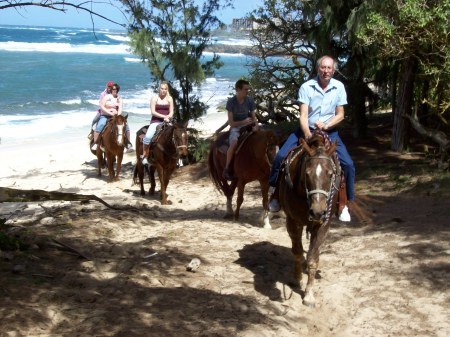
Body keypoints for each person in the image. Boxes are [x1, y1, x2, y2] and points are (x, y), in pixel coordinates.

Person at [268, 55, 355, 222]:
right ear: (318, 69)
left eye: (329, 68)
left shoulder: (339, 87)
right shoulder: (306, 87)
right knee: (280, 157)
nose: (326, 71)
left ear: (333, 70)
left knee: (349, 165)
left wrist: (327, 125)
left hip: (329, 132)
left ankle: (345, 204)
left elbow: (341, 114)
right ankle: (276, 196)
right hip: (306, 131)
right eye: (323, 67)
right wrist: (308, 134)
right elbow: (303, 116)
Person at [222, 79, 259, 181]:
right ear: (238, 89)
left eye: (248, 89)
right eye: (245, 89)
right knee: (233, 144)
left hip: (249, 124)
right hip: (236, 128)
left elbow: (253, 117)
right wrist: (243, 122)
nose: (247, 91)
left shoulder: (249, 100)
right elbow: (231, 123)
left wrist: (256, 126)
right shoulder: (231, 102)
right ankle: (227, 168)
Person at [91, 83, 134, 152]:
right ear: (111, 90)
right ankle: (96, 143)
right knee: (100, 125)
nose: (115, 90)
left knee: (126, 127)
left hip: (116, 116)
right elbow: (102, 106)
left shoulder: (119, 98)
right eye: (113, 89)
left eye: (116, 89)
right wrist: (109, 113)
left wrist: (118, 115)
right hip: (105, 115)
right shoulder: (107, 97)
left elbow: (120, 108)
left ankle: (128, 143)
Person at [141, 81, 174, 165]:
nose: (163, 90)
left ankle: (176, 156)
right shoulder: (154, 98)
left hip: (167, 121)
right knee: (147, 137)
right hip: (156, 121)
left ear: (167, 90)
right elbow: (153, 112)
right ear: (159, 89)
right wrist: (164, 117)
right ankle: (145, 155)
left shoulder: (169, 98)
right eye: (162, 89)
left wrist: (168, 117)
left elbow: (171, 112)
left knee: (176, 136)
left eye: (165, 89)